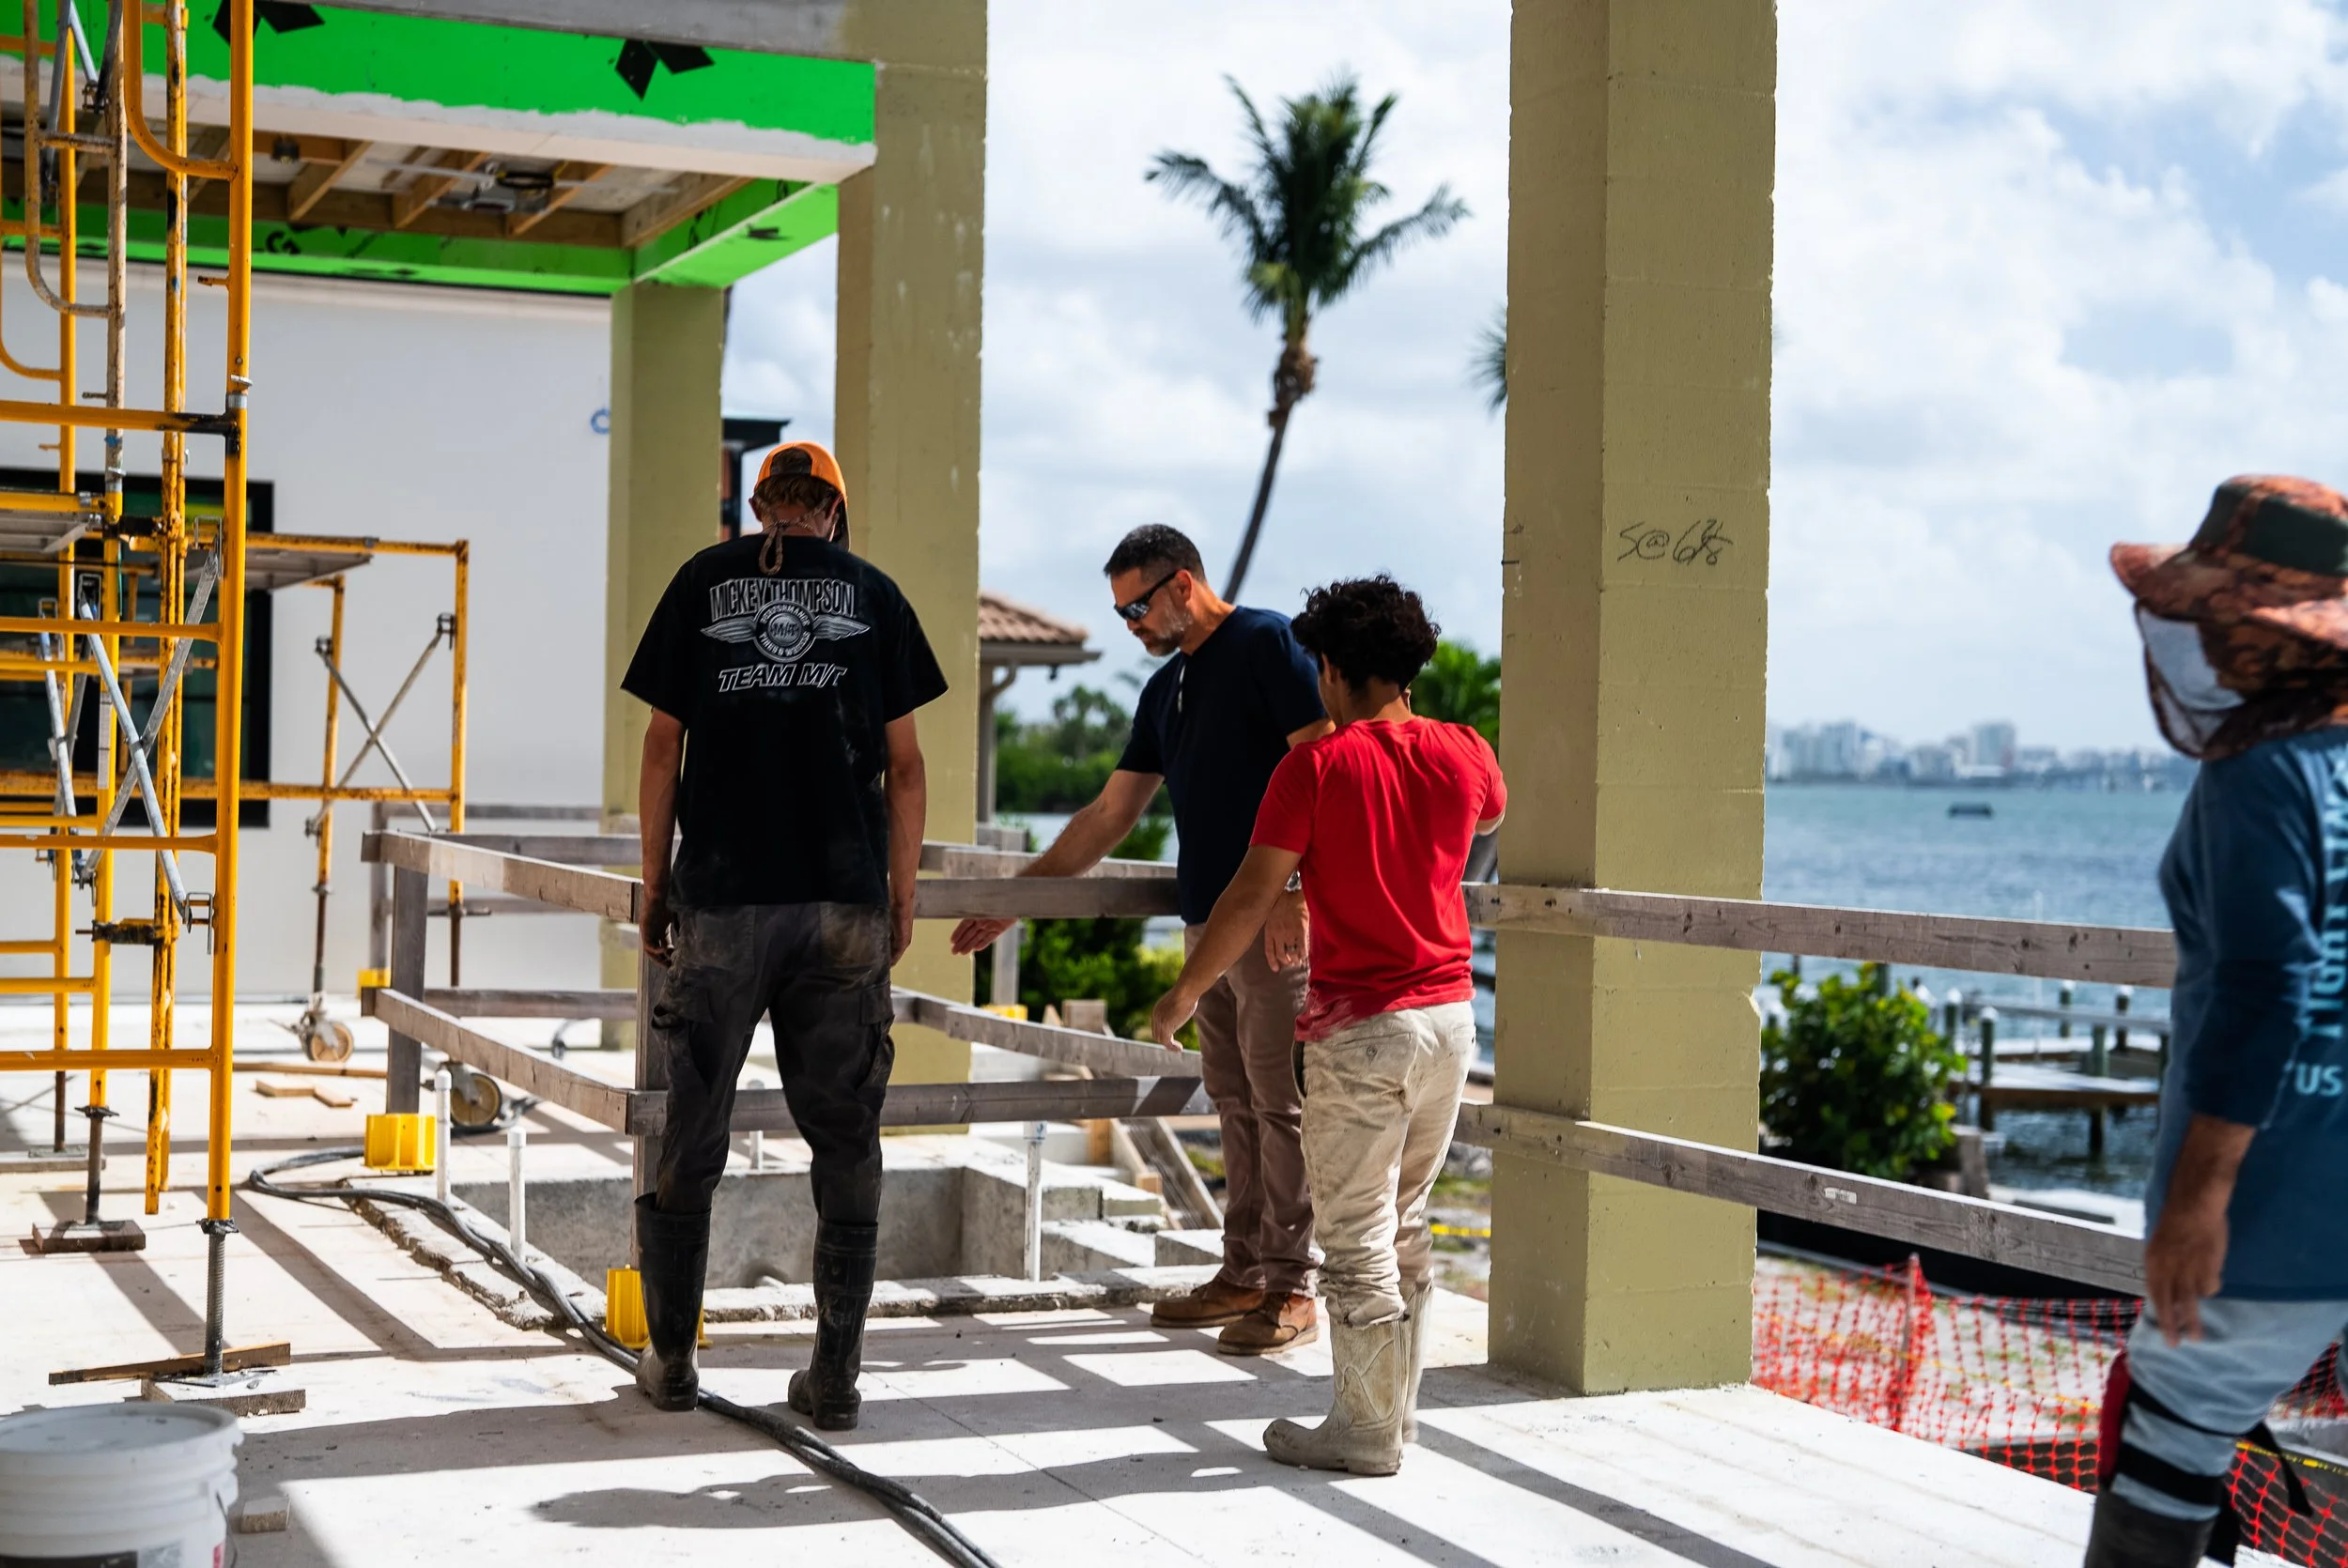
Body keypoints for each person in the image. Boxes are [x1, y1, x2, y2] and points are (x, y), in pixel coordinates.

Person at [623, 439, 946, 1430]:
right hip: (842, 902)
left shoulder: (699, 579)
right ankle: (835, 1376)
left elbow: (662, 743)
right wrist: (897, 892)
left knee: (696, 1121)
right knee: (845, 1133)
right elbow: (906, 765)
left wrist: (653, 884)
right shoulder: (877, 595)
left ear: (761, 506)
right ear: (834, 513)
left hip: (723, 901)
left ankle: (672, 1361)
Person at [1151, 575, 1504, 1477]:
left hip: (1362, 1025)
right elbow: (1492, 813)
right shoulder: (1466, 751)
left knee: (1353, 1240)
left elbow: (1246, 898)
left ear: (1336, 670)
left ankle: (1363, 1429)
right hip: (1452, 1020)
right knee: (1408, 1221)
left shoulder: (1315, 767)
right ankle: (1397, 1413)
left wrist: (1186, 990)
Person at [950, 524, 1331, 1353]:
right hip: (1207, 925)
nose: (1131, 625)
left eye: (1137, 607)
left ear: (1183, 584)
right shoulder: (1167, 693)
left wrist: (1297, 889)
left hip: (1271, 919)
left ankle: (1295, 1284)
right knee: (1232, 1101)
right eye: (1121, 612)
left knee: (1279, 1102)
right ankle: (1243, 1273)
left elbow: (1322, 764)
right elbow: (1107, 816)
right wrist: (1022, 900)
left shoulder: (1267, 642)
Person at [2087, 475, 2348, 1566]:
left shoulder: (2260, 773)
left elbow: (2261, 985)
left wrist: (2196, 1198)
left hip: (2279, 1194)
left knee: (2168, 1434)